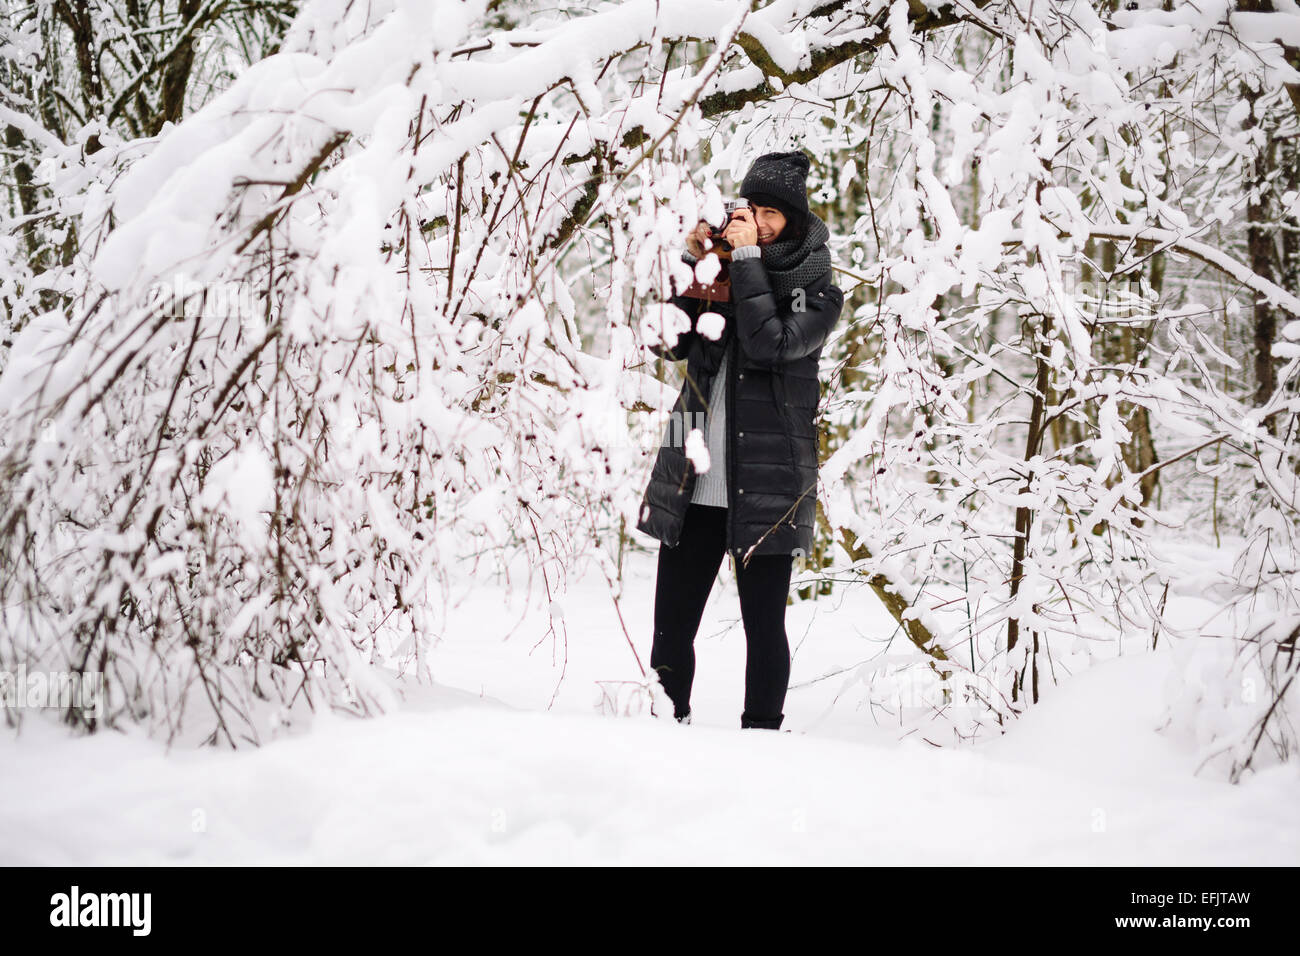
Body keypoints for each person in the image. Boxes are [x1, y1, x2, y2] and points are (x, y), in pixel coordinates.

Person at [636, 150, 845, 730]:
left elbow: (771, 342)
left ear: (796, 223)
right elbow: (666, 341)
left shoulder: (817, 292)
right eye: (751, 208)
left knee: (763, 626)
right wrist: (693, 266)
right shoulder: (723, 277)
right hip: (691, 472)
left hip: (769, 481)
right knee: (670, 624)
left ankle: (761, 744)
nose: (758, 219)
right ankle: (663, 729)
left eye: (772, 213)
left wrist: (746, 259)